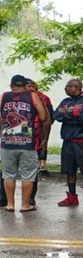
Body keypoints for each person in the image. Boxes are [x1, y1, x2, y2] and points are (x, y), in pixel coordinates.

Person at [1, 74, 47, 212]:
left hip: (7, 142)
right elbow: (43, 116)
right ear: (25, 86)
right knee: (28, 174)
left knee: (8, 173)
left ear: (11, 86)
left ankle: (10, 204)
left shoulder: (3, 96)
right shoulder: (32, 96)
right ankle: (25, 204)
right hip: (27, 142)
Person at [53, 79, 83, 208]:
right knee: (70, 171)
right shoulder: (65, 101)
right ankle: (72, 196)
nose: (66, 89)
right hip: (68, 141)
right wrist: (74, 115)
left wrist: (66, 115)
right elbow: (56, 115)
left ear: (76, 87)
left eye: (68, 86)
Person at [24, 78, 52, 206]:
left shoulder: (43, 98)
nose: (30, 88)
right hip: (18, 137)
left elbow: (49, 118)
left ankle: (30, 197)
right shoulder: (17, 99)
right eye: (27, 86)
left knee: (32, 169)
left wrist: (45, 138)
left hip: (36, 136)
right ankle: (4, 198)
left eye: (32, 85)